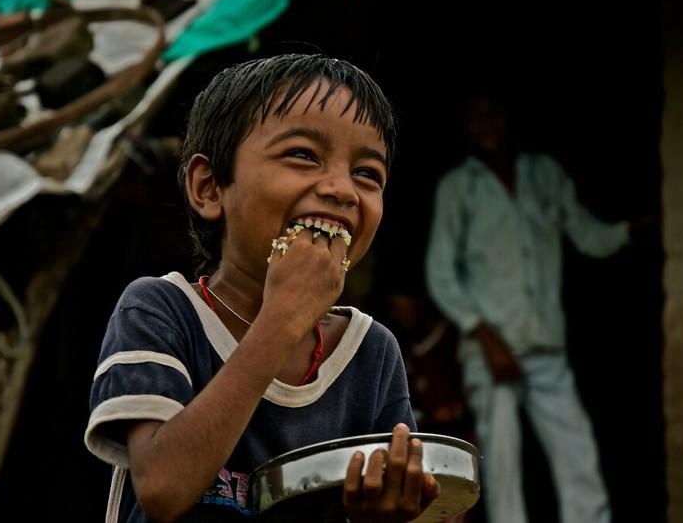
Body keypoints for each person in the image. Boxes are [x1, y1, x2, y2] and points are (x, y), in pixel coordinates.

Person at [84, 53, 440, 522]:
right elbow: (163, 487)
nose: (342, 189)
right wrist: (284, 317)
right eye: (302, 155)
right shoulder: (162, 310)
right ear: (210, 188)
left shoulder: (370, 353)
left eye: (367, 173)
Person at [425, 91, 631, 523]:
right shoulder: (459, 187)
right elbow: (441, 273)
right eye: (475, 116)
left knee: (579, 456)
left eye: (493, 112)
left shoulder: (545, 175)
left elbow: (587, 234)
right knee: (501, 468)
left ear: (508, 116)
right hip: (489, 352)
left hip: (544, 346)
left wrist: (635, 230)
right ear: (464, 126)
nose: (486, 124)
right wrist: (485, 337)